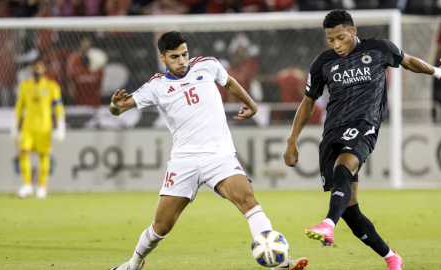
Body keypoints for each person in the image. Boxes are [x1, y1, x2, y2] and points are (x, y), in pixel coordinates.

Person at [109, 31, 308, 270]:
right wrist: (114, 106)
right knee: (161, 227)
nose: (182, 61)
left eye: (184, 54)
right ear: (162, 58)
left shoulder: (207, 65)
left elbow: (230, 83)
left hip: (219, 154)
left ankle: (279, 262)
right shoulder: (156, 86)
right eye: (174, 57)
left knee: (248, 200)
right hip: (184, 160)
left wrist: (252, 104)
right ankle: (134, 264)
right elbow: (120, 109)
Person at [283, 9, 441, 270]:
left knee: (343, 167)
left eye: (340, 37)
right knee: (350, 211)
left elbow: (409, 61)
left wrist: (437, 73)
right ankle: (391, 257)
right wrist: (292, 139)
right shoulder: (322, 63)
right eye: (331, 40)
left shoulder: (379, 49)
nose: (336, 44)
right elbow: (307, 103)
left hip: (364, 124)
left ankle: (327, 223)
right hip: (332, 132)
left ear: (353, 31)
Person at [12, 57, 66, 199]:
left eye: (39, 66)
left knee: (43, 156)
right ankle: (27, 186)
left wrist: (60, 127)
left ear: (44, 69)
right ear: (31, 68)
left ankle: (42, 187)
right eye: (35, 66)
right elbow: (19, 107)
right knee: (23, 153)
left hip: (44, 127)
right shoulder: (24, 85)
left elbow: (58, 107)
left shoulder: (51, 86)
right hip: (28, 128)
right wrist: (15, 127)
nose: (37, 69)